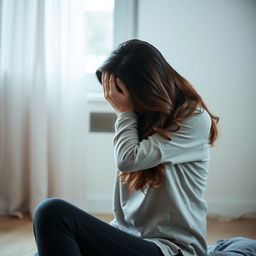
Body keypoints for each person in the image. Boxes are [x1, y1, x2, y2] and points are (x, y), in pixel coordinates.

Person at [33, 39, 219, 256]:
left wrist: (124, 113)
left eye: (119, 92)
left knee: (52, 212)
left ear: (147, 89)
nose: (115, 100)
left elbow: (128, 160)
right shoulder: (142, 118)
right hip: (130, 239)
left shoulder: (193, 118)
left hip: (171, 250)